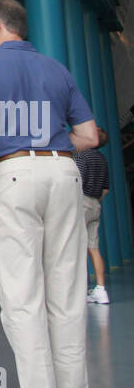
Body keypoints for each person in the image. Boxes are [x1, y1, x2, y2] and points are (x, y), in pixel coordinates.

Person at [0, 0, 100, 388]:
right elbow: (90, 136)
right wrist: (51, 142)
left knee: (23, 299)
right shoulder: (57, 69)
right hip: (65, 175)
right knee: (68, 296)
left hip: (15, 175)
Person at [74, 128, 111, 304]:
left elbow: (76, 182)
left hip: (82, 203)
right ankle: (101, 289)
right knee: (93, 248)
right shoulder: (102, 159)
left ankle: (79, 289)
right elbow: (105, 189)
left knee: (76, 248)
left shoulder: (81, 156)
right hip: (96, 204)